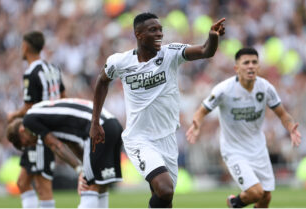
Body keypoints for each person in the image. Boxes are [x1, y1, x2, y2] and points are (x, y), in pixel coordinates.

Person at [90, 12, 225, 208]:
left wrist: (212, 37)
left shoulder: (170, 54)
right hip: (139, 138)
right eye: (153, 30)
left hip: (167, 139)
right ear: (138, 34)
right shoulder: (120, 62)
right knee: (165, 188)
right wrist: (95, 121)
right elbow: (102, 81)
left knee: (165, 198)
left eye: (160, 29)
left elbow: (206, 51)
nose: (159, 33)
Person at [186, 47, 301, 208]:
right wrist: (196, 125)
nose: (251, 66)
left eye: (254, 62)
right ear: (236, 68)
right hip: (234, 150)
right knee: (255, 192)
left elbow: (282, 114)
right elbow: (202, 110)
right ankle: (234, 202)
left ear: (258, 67)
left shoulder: (265, 88)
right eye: (246, 62)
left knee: (265, 198)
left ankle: (236, 203)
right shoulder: (224, 89)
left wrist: (290, 127)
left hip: (258, 148)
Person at [7, 98, 123, 208]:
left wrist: (80, 170)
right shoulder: (46, 115)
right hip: (113, 125)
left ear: (22, 130)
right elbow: (73, 144)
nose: (32, 144)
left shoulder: (29, 120)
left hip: (96, 129)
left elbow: (56, 146)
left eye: (26, 143)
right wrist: (84, 166)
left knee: (87, 186)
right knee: (100, 185)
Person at [7, 31, 66, 208]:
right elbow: (63, 96)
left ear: (25, 46)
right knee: (23, 183)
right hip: (48, 130)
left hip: (39, 134)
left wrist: (14, 115)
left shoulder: (31, 73)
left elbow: (28, 107)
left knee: (43, 186)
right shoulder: (53, 68)